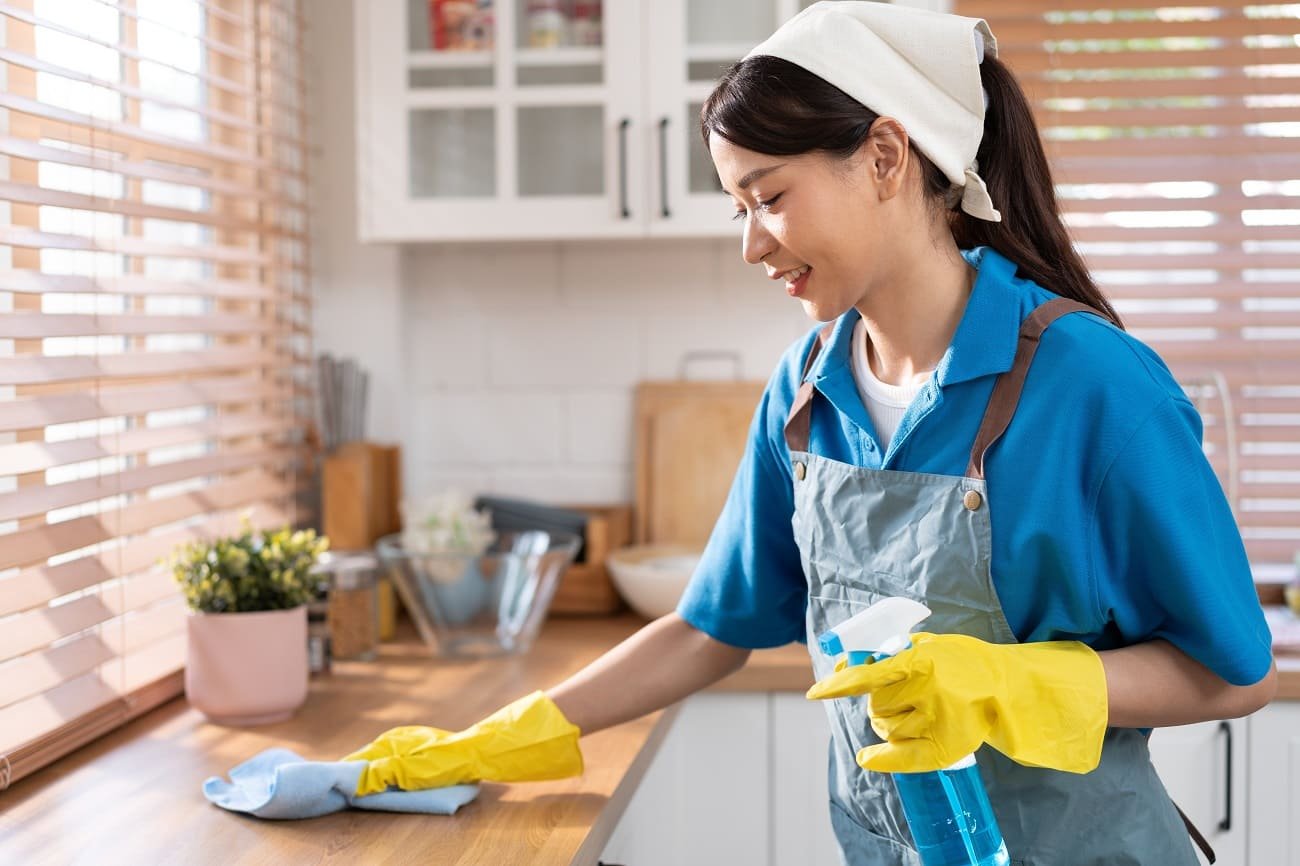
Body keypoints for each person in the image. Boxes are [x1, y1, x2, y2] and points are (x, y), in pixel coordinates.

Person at [344, 3, 1278, 863]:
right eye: (739, 208)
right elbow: (710, 628)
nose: (752, 243)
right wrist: (505, 735)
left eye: (770, 197)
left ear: (885, 157)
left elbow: (1234, 673)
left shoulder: (1093, 386)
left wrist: (1015, 686)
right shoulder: (807, 392)